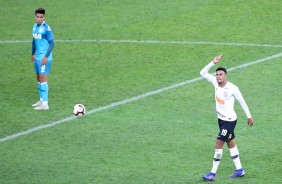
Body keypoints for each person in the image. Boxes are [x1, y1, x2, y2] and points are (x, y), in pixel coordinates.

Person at [200, 54, 254, 181]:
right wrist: (213, 62)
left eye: (221, 74)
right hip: (221, 120)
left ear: (226, 76)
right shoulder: (215, 83)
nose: (218, 76)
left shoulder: (232, 88)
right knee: (230, 143)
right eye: (217, 74)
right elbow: (202, 72)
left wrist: (249, 116)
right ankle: (239, 170)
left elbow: (242, 101)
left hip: (229, 121)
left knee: (219, 143)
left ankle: (212, 173)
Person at [32, 8, 54, 110]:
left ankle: (45, 104)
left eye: (41, 17)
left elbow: (52, 43)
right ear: (35, 17)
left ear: (44, 17)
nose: (39, 19)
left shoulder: (46, 28)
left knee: (43, 79)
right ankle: (41, 100)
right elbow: (34, 41)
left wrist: (46, 56)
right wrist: (33, 53)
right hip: (37, 58)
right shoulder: (34, 27)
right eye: (37, 17)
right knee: (38, 78)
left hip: (45, 58)